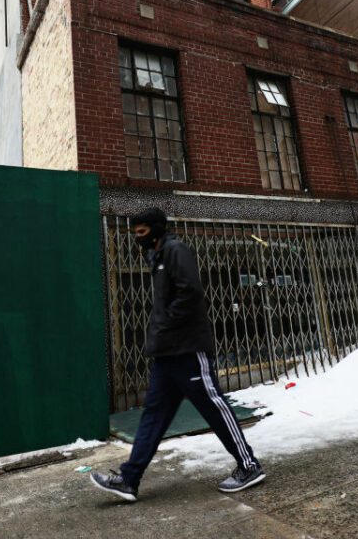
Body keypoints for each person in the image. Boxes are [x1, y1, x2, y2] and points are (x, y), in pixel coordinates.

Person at [90, 207, 265, 502]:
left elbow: (191, 292)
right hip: (166, 355)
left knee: (213, 407)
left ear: (157, 229)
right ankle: (129, 480)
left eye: (142, 232)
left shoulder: (175, 250)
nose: (137, 238)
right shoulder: (157, 257)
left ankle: (249, 466)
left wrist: (167, 323)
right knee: (153, 415)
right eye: (134, 233)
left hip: (187, 349)